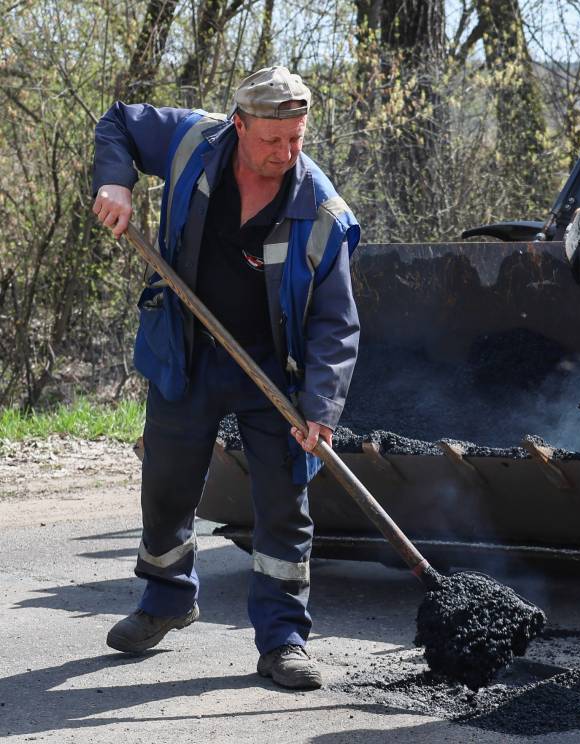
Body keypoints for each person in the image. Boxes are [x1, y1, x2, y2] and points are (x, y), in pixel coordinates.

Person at [91, 66, 361, 690]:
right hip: (190, 347)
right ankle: (165, 600)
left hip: (276, 367)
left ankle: (284, 638)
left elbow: (336, 323)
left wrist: (320, 407)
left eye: (296, 139)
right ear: (239, 125)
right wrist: (116, 183)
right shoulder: (192, 142)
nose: (285, 153)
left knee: (283, 501)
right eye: (272, 139)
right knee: (166, 481)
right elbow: (118, 123)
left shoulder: (320, 213)